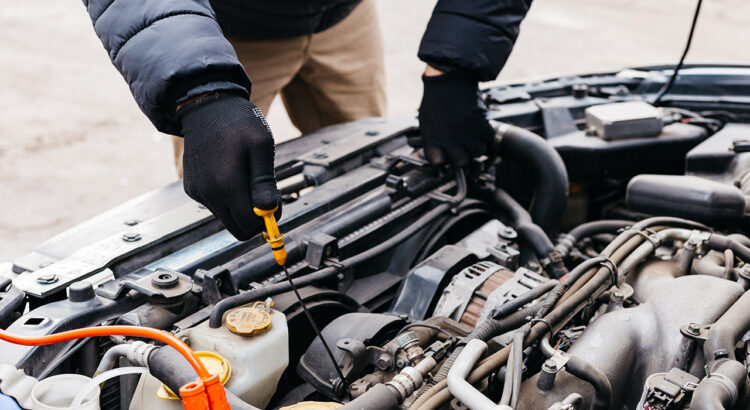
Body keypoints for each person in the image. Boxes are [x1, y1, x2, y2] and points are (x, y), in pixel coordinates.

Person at [83, 0, 532, 240]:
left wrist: (456, 68)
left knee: (372, 162)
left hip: (343, 17)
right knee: (229, 191)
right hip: (224, 30)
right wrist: (202, 93)